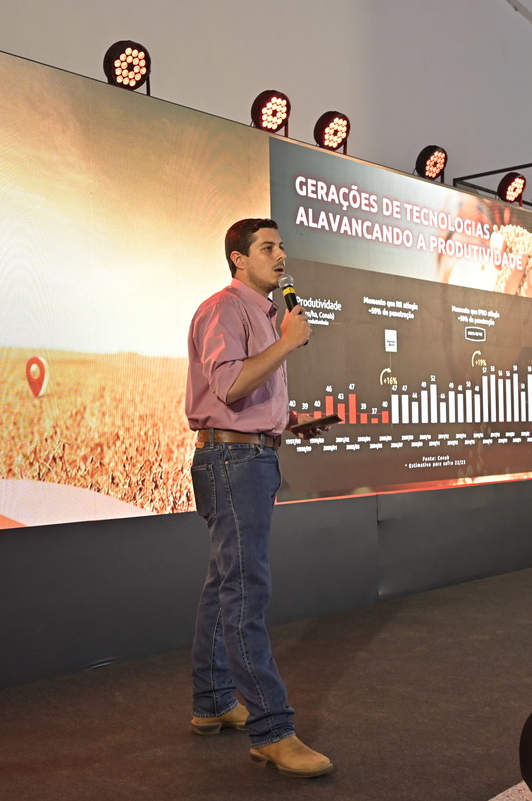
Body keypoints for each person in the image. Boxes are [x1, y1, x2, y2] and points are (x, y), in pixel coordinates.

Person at [184, 218, 335, 778]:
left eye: (281, 246)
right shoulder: (224, 308)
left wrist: (288, 421)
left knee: (225, 583)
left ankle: (213, 702)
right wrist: (289, 342)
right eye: (267, 247)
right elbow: (228, 386)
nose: (280, 255)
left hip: (249, 457)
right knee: (246, 590)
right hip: (233, 463)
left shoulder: (266, 315)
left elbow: (246, 395)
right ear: (238, 259)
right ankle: (272, 731)